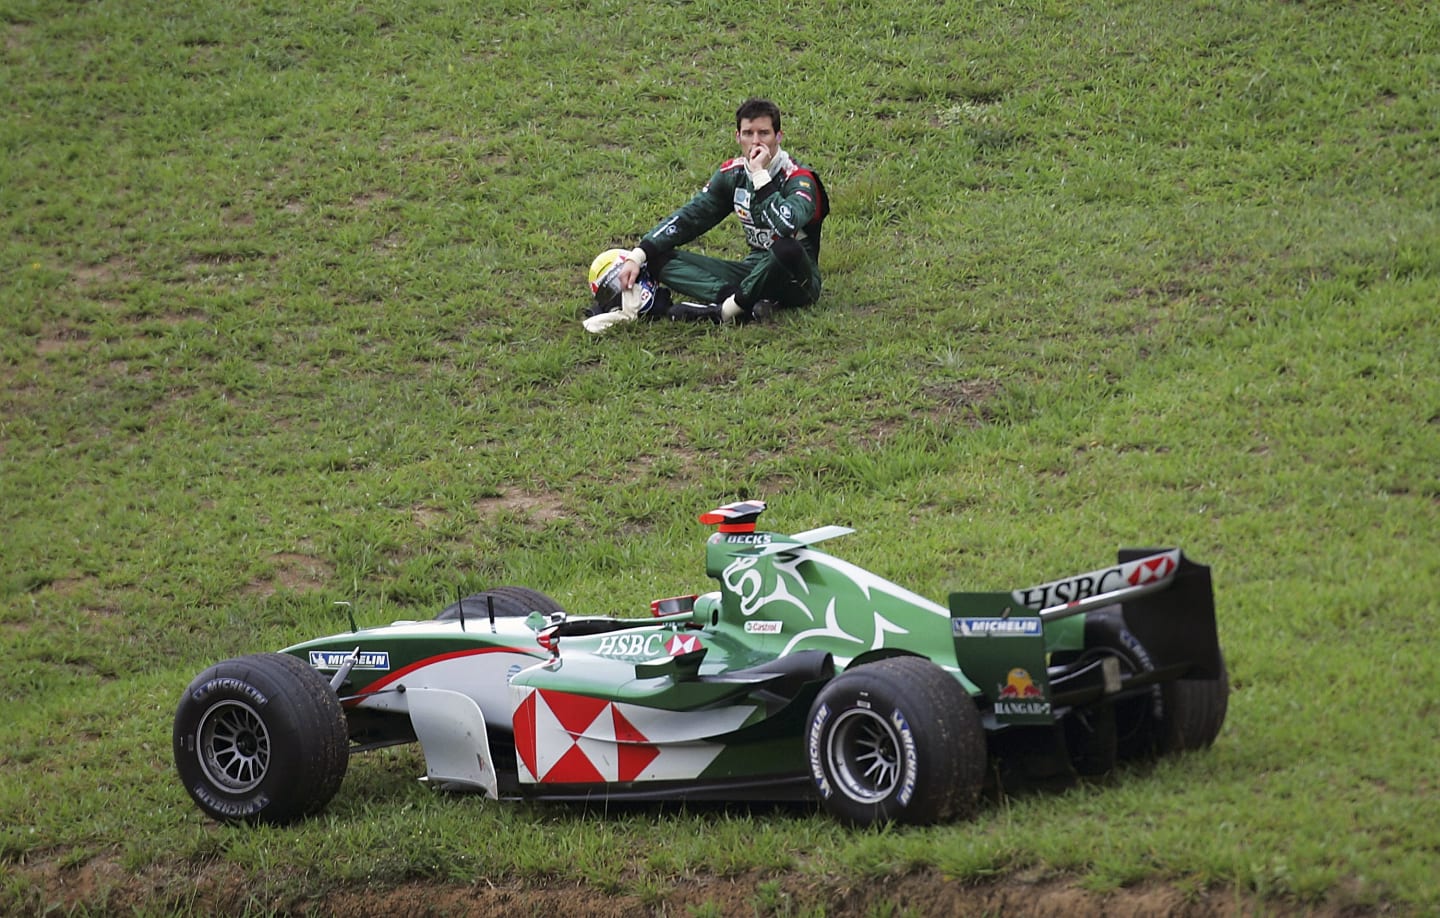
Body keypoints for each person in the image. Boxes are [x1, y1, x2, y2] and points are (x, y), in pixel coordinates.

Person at [582, 98, 829, 333]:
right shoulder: (733, 175)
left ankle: (726, 311)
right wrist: (638, 255)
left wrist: (760, 176)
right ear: (737, 137)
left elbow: (786, 225)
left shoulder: (799, 178)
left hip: (797, 279)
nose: (756, 142)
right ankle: (742, 302)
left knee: (787, 248)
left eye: (764, 133)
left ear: (778, 137)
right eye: (748, 134)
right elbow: (691, 217)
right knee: (657, 257)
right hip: (752, 269)